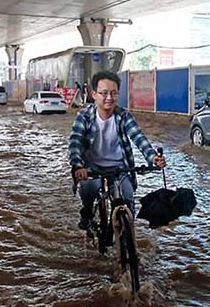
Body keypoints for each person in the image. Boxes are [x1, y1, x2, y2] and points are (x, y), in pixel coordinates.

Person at [69, 70, 166, 230]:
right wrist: (78, 165)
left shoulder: (123, 116)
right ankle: (87, 213)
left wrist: (153, 158)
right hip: (92, 169)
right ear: (94, 94)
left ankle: (127, 238)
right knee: (88, 192)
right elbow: (75, 142)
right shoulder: (84, 116)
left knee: (127, 199)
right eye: (104, 93)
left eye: (114, 93)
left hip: (120, 168)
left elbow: (139, 138)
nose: (109, 98)